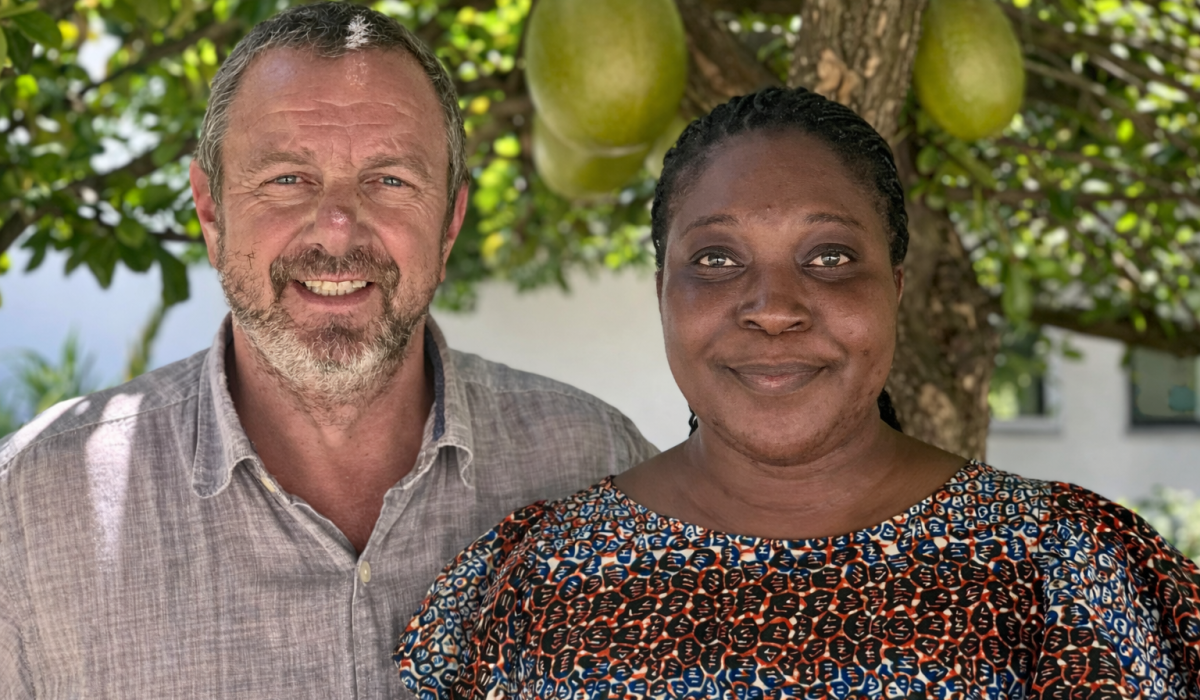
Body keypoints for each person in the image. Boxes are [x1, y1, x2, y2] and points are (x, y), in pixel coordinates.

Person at [396, 87, 1200, 699]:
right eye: (716, 259)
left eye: (828, 257)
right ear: (662, 292)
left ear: (896, 290)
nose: (773, 307)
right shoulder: (536, 581)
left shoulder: (1062, 568)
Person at [0, 4, 656, 698]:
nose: (339, 231)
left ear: (451, 221)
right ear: (211, 213)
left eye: (390, 181)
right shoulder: (31, 511)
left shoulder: (604, 471)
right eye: (287, 179)